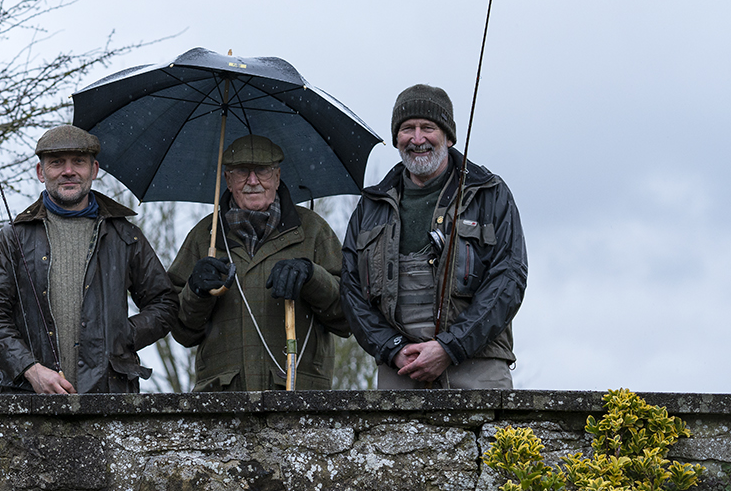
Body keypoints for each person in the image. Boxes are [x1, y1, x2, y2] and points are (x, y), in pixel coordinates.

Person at [340, 84, 527, 389]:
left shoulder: (490, 194)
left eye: (428, 127)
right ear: (396, 138)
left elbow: (509, 278)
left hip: (477, 365)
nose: (417, 139)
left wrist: (450, 347)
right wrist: (392, 349)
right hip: (400, 369)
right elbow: (350, 290)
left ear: (448, 136)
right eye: (407, 129)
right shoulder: (370, 205)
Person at [0, 125, 178, 394]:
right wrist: (30, 369)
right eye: (57, 163)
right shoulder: (13, 238)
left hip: (110, 394)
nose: (68, 171)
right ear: (41, 172)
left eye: (78, 162)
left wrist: (123, 335)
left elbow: (164, 303)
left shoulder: (126, 236)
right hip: (27, 397)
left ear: (93, 170)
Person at [167, 135, 351, 390]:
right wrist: (196, 292)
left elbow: (347, 317)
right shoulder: (203, 236)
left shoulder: (313, 230)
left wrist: (312, 277)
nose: (253, 181)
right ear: (228, 180)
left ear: (277, 177)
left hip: (299, 394)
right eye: (242, 171)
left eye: (262, 171)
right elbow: (183, 331)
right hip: (223, 399)